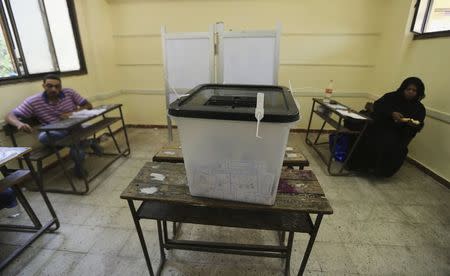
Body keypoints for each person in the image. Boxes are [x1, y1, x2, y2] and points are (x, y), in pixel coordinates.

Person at [4, 74, 101, 178]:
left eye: (57, 86)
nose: (54, 89)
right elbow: (9, 115)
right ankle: (87, 142)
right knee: (43, 137)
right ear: (44, 86)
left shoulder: (69, 92)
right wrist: (19, 124)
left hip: (75, 127)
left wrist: (73, 113)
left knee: (78, 139)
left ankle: (79, 159)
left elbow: (88, 105)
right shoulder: (34, 101)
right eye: (49, 86)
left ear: (61, 86)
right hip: (56, 132)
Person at [347, 77, 426, 177]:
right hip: (380, 126)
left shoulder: (419, 108)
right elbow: (377, 107)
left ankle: (379, 172)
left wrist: (413, 124)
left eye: (414, 90)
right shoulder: (391, 97)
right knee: (368, 135)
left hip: (399, 134)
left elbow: (419, 124)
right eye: (408, 89)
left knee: (394, 146)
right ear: (403, 89)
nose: (410, 92)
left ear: (419, 93)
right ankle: (361, 167)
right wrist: (391, 113)